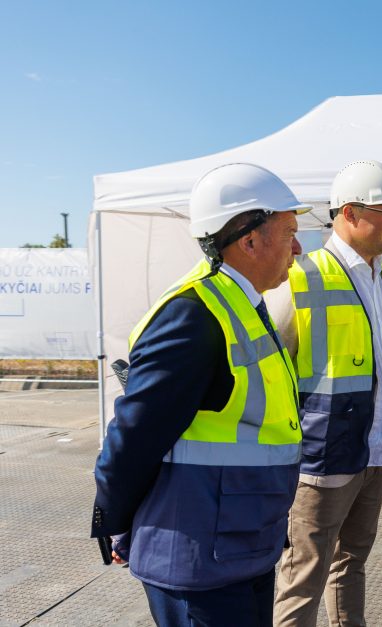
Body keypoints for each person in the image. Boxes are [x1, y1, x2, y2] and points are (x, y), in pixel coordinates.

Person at [91, 163, 310, 626]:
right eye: (289, 232)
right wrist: (111, 520)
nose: (298, 246)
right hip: (199, 561)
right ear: (249, 241)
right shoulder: (193, 315)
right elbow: (135, 436)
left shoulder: (244, 305)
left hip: (241, 544)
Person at [273, 160, 382, 627]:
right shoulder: (301, 276)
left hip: (374, 449)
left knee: (351, 562)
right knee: (305, 573)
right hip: (322, 457)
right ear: (352, 213)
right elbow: (269, 374)